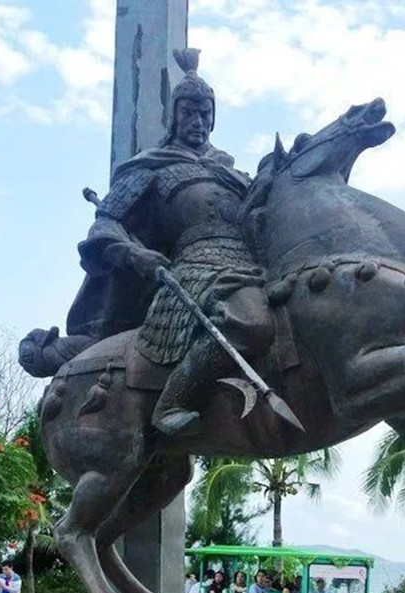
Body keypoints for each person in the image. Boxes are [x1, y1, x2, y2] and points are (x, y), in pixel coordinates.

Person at [64, 49, 272, 437]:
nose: (199, 122)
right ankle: (174, 399)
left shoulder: (232, 173)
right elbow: (106, 223)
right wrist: (135, 253)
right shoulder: (153, 167)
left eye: (206, 114)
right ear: (174, 116)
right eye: (190, 113)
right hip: (197, 267)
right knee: (251, 323)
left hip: (253, 263)